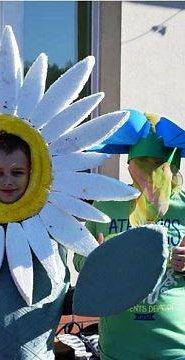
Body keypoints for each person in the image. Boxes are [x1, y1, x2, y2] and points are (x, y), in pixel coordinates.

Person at [74, 110, 185, 359]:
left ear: (173, 166)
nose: (150, 174)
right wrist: (98, 260)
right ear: (130, 165)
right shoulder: (108, 203)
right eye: (142, 164)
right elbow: (80, 261)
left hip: (176, 349)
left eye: (158, 165)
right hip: (118, 349)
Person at [0, 132, 70, 359]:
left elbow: (59, 283)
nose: (7, 181)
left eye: (17, 172)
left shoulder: (51, 220)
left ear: (32, 172)